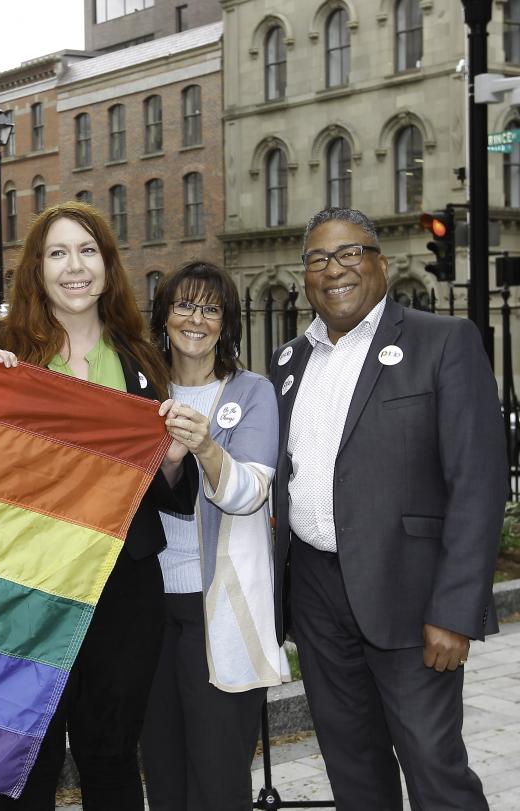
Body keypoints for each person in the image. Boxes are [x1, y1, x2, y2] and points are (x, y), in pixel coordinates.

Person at [270, 207, 505, 810]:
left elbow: (476, 484)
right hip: (319, 599)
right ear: (305, 277)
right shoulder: (290, 362)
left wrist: (456, 611)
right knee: (353, 769)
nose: (335, 270)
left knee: (434, 767)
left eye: (350, 253)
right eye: (319, 259)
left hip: (410, 598)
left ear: (380, 262)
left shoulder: (442, 341)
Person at [0, 201, 195, 810]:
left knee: (112, 755)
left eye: (87, 251)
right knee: (25, 759)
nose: (75, 267)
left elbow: (165, 488)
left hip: (123, 586)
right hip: (27, 586)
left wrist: (174, 456)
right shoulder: (1, 353)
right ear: (36, 271)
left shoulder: (142, 361)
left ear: (107, 265)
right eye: (57, 253)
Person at [140, 262, 287, 810]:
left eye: (211, 309)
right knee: (163, 771)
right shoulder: (139, 388)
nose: (196, 319)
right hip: (148, 609)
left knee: (219, 777)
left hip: (219, 610)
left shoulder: (252, 393)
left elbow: (249, 491)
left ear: (226, 324)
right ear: (164, 316)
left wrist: (205, 447)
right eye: (184, 305)